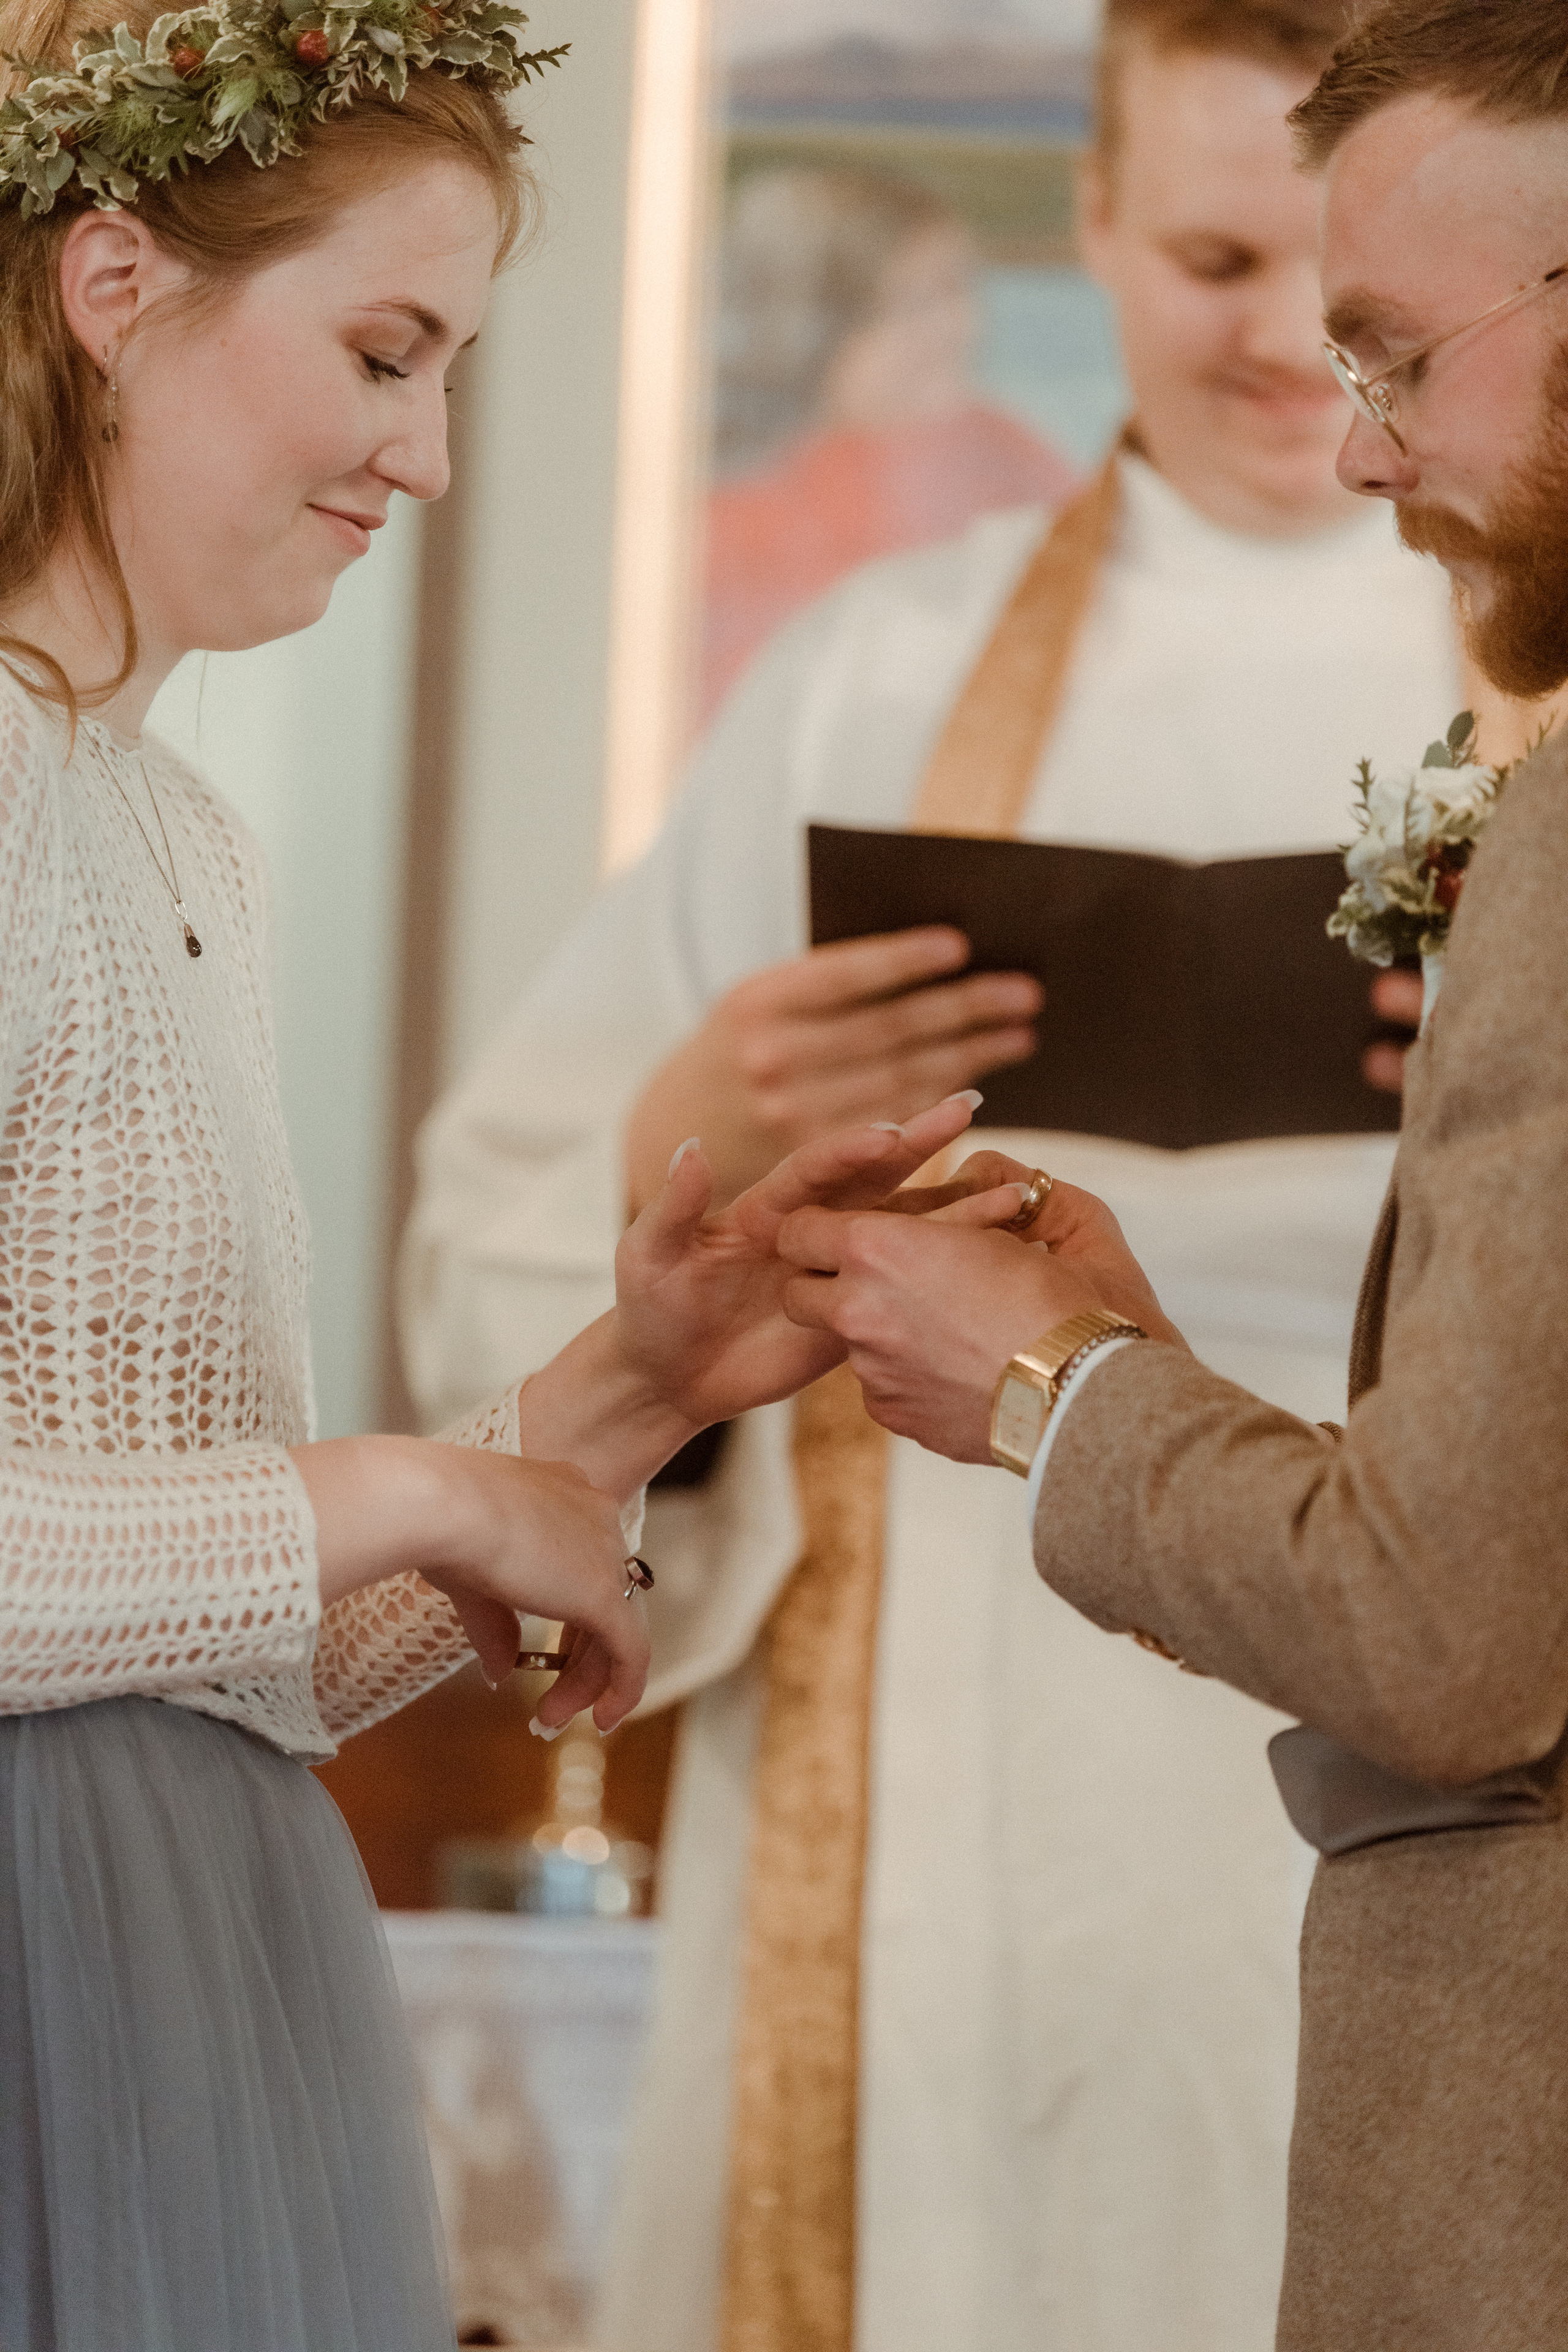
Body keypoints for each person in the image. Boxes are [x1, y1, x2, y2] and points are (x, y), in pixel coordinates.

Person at [398, 6, 1478, 2351]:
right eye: (1206, 253)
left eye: (1336, 269)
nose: (1284, 334)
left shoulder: (1537, 688)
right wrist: (678, 1110)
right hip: (940, 1735)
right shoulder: (872, 670)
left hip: (1439, 1704)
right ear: (1081, 217)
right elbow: (506, 1257)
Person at [0, 5, 997, 2342]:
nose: (427, 455)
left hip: (188, 1963)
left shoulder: (170, 836)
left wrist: (613, 1399)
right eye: (382, 351)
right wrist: (406, 1499)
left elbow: (199, 1647)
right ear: (114, 286)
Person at [771, 3, 1568, 2346]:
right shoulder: (871, 654)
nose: (1351, 443)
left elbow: (1444, 1648)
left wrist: (1047, 1386)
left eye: (1393, 352)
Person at [701, 167, 1077, 723]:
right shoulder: (727, 522)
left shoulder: (1002, 451)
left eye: (958, 290)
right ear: (810, 327)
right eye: (913, 304)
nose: (958, 327)